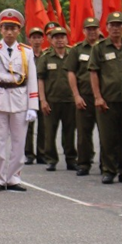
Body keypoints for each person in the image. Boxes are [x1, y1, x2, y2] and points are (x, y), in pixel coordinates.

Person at [0, 9, 38, 192]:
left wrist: (33, 106)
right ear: (1, 29)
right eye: (6, 28)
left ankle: (13, 177)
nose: (10, 32)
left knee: (19, 143)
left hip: (20, 100)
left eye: (13, 28)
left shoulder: (26, 52)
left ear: (19, 30)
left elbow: (32, 79)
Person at [89, 12, 122, 184]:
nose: (116, 28)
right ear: (107, 27)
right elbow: (94, 73)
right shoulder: (99, 47)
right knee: (108, 137)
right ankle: (109, 170)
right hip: (108, 99)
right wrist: (97, 97)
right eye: (112, 25)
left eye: (119, 25)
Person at [65, 16, 102, 176]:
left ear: (99, 30)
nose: (92, 31)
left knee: (107, 133)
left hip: (104, 96)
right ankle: (84, 163)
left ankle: (107, 165)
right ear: (84, 31)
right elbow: (71, 72)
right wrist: (76, 95)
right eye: (89, 29)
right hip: (84, 96)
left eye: (94, 28)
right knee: (83, 133)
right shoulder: (77, 49)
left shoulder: (105, 48)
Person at [37, 27, 77, 172]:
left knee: (70, 132)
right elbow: (40, 79)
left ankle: (71, 159)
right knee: (49, 132)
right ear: (51, 40)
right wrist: (43, 100)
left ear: (67, 39)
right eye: (56, 37)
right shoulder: (46, 57)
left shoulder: (73, 54)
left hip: (70, 100)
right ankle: (51, 159)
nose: (59, 40)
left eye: (62, 37)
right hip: (51, 101)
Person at [24, 27, 46, 165]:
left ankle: (42, 153)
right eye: (34, 38)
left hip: (43, 96)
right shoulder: (25, 55)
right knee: (28, 126)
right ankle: (29, 154)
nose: (36, 40)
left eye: (39, 37)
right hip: (27, 95)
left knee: (44, 126)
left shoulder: (47, 56)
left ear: (43, 39)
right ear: (29, 39)